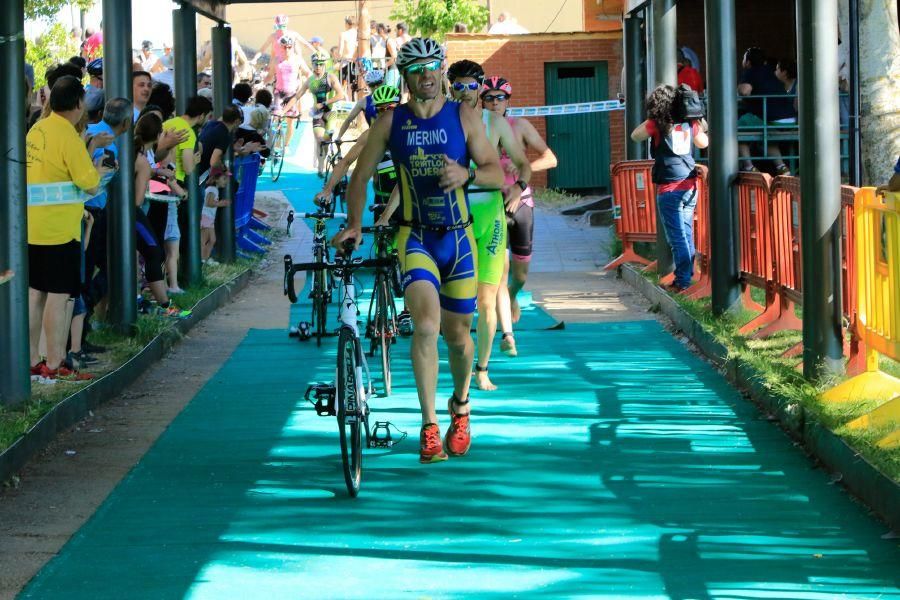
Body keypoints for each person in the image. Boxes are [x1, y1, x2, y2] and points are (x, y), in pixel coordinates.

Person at [331, 38, 504, 463]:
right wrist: (354, 224)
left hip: (459, 240)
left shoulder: (463, 115)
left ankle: (460, 407)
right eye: (417, 69)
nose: (427, 75)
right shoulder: (391, 123)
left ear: (441, 70)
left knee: (458, 336)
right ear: (405, 77)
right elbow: (361, 175)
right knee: (426, 326)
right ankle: (429, 425)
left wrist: (466, 173)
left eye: (432, 67)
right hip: (415, 236)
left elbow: (495, 173)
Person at [446, 61, 531, 392]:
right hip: (453, 215)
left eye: (471, 86)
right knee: (456, 301)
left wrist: (517, 186)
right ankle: (461, 357)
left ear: (480, 88)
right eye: (459, 86)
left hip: (490, 214)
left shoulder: (494, 122)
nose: (466, 93)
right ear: (449, 87)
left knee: (485, 299)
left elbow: (522, 163)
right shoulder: (440, 120)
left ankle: (482, 368)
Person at [27, 76, 111, 380]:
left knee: (35, 293)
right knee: (59, 296)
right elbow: (89, 184)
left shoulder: (37, 130)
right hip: (60, 229)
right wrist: (99, 171)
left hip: (32, 227)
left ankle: (34, 361)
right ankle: (55, 363)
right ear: (79, 104)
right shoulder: (67, 135)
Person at [481, 76, 557, 357]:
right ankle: (507, 335)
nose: (494, 103)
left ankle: (512, 296)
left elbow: (551, 158)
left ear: (507, 101)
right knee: (499, 271)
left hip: (521, 204)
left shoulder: (520, 126)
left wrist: (523, 164)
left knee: (520, 274)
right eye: (488, 98)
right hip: (492, 205)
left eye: (499, 98)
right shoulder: (477, 128)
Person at [631, 84, 709, 292]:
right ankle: (685, 278)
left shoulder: (656, 123)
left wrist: (654, 118)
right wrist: (695, 116)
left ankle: (682, 281)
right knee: (686, 234)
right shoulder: (689, 123)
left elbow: (635, 136)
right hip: (690, 184)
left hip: (670, 188)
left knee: (677, 238)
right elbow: (703, 142)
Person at [83, 97, 133, 315]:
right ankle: (85, 310)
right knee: (108, 265)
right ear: (126, 122)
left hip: (79, 210)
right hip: (91, 212)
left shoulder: (88, 129)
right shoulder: (108, 145)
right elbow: (96, 181)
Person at [133, 112, 183, 316]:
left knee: (146, 253)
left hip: (129, 212)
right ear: (157, 135)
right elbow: (136, 201)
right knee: (153, 251)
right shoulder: (142, 160)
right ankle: (164, 306)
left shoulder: (139, 155)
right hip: (133, 213)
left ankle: (150, 301)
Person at [296, 54, 345, 177]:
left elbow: (340, 95)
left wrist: (325, 103)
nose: (318, 66)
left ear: (324, 65)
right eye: (316, 64)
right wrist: (285, 108)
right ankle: (321, 166)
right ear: (312, 64)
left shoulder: (331, 77)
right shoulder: (310, 80)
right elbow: (298, 95)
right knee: (319, 139)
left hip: (331, 114)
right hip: (317, 115)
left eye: (321, 64)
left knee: (326, 141)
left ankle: (323, 158)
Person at [737, 47, 780, 172]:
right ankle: (781, 166)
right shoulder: (771, 72)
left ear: (748, 62)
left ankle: (749, 166)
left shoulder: (750, 72)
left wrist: (740, 88)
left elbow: (745, 91)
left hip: (770, 119)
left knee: (736, 131)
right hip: (789, 119)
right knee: (764, 134)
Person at [253, 15, 315, 83]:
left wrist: (315, 52)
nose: (281, 29)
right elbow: (262, 49)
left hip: (290, 62)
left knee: (304, 75)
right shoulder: (273, 36)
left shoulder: (293, 34)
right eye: (279, 26)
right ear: (276, 25)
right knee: (266, 80)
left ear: (286, 25)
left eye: (283, 26)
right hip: (276, 63)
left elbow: (305, 44)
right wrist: (254, 59)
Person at [335, 68, 385, 141]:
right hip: (374, 137)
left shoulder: (392, 96)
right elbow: (348, 120)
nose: (376, 87)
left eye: (379, 83)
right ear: (368, 86)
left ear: (383, 83)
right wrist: (339, 137)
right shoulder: (363, 102)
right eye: (373, 85)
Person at [200, 167, 231, 262]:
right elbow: (209, 203)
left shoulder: (213, 189)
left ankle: (205, 258)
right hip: (206, 217)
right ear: (216, 178)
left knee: (212, 240)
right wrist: (221, 203)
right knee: (204, 240)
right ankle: (202, 259)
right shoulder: (212, 189)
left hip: (209, 218)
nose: (226, 181)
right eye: (224, 178)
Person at [339, 15, 359, 93]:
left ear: (347, 24)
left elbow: (340, 52)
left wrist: (338, 60)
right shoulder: (359, 34)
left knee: (343, 88)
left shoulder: (343, 34)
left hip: (345, 62)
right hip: (357, 63)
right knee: (354, 87)